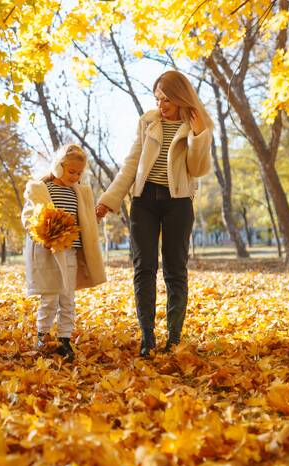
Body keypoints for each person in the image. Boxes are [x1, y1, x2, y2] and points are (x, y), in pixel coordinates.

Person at [95, 70, 213, 357]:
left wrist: (198, 135)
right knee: (143, 268)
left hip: (178, 203)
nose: (161, 104)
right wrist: (109, 199)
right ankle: (147, 337)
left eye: (167, 99)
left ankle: (174, 337)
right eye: (157, 99)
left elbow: (197, 169)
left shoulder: (197, 125)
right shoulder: (148, 123)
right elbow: (131, 163)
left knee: (175, 270)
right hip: (144, 201)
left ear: (181, 96)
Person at [22, 143, 107, 362]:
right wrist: (41, 232)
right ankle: (43, 336)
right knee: (50, 296)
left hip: (70, 252)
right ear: (59, 166)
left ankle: (65, 339)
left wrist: (96, 214)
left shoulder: (79, 192)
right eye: (71, 171)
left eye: (79, 173)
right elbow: (28, 217)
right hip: (48, 252)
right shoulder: (42, 188)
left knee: (68, 297)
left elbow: (85, 221)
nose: (75, 176)